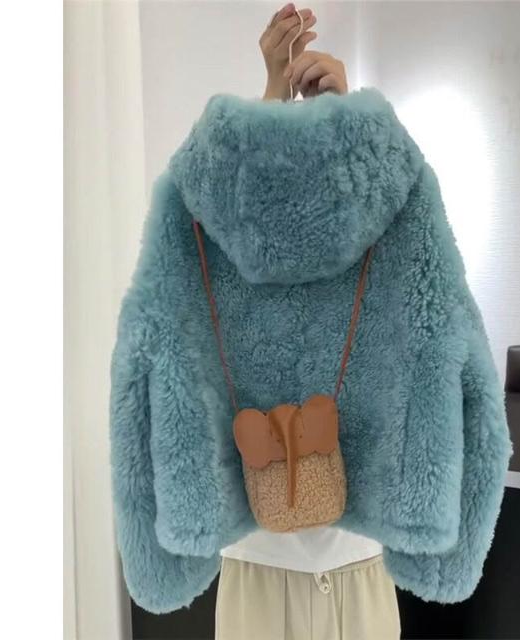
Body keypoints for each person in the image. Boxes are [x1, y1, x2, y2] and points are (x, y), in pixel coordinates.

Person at [213, 5, 402, 639]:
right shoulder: (234, 265)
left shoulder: (369, 251)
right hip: (259, 563)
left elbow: (395, 267)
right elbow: (224, 244)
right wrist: (272, 94)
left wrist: (344, 122)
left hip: (357, 559)